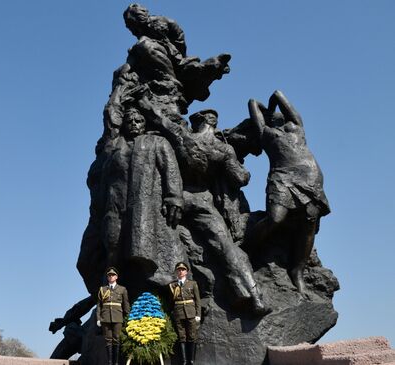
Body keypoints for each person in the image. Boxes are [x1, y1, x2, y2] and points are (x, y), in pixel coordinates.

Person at [140, 98, 270, 317]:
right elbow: (240, 178)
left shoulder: (184, 136)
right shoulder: (223, 149)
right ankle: (254, 296)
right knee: (226, 247)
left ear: (197, 122)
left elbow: (157, 118)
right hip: (203, 200)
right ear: (214, 124)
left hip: (177, 197)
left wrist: (142, 99)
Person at [247, 91, 330, 292]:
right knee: (276, 218)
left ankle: (297, 271)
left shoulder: (297, 128)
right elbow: (252, 103)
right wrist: (266, 110)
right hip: (282, 178)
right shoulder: (265, 133)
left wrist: (273, 101)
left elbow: (279, 95)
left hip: (309, 178)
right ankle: (247, 248)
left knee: (309, 224)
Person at [168, 262, 201, 365]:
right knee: (182, 337)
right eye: (179, 270)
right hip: (179, 313)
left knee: (192, 336)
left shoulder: (192, 284)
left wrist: (198, 314)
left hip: (191, 313)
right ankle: (184, 361)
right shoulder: (172, 285)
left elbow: (197, 300)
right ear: (176, 272)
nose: (180, 271)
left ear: (186, 272)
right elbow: (171, 302)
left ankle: (191, 360)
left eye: (183, 270)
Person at [96, 267, 130, 365]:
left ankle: (116, 362)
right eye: (109, 275)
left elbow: (126, 305)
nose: (111, 277)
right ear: (107, 278)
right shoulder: (102, 289)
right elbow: (99, 305)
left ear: (116, 277)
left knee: (116, 339)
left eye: (113, 275)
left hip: (118, 317)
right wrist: (98, 318)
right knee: (108, 341)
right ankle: (110, 362)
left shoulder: (122, 289)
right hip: (105, 318)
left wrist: (128, 318)